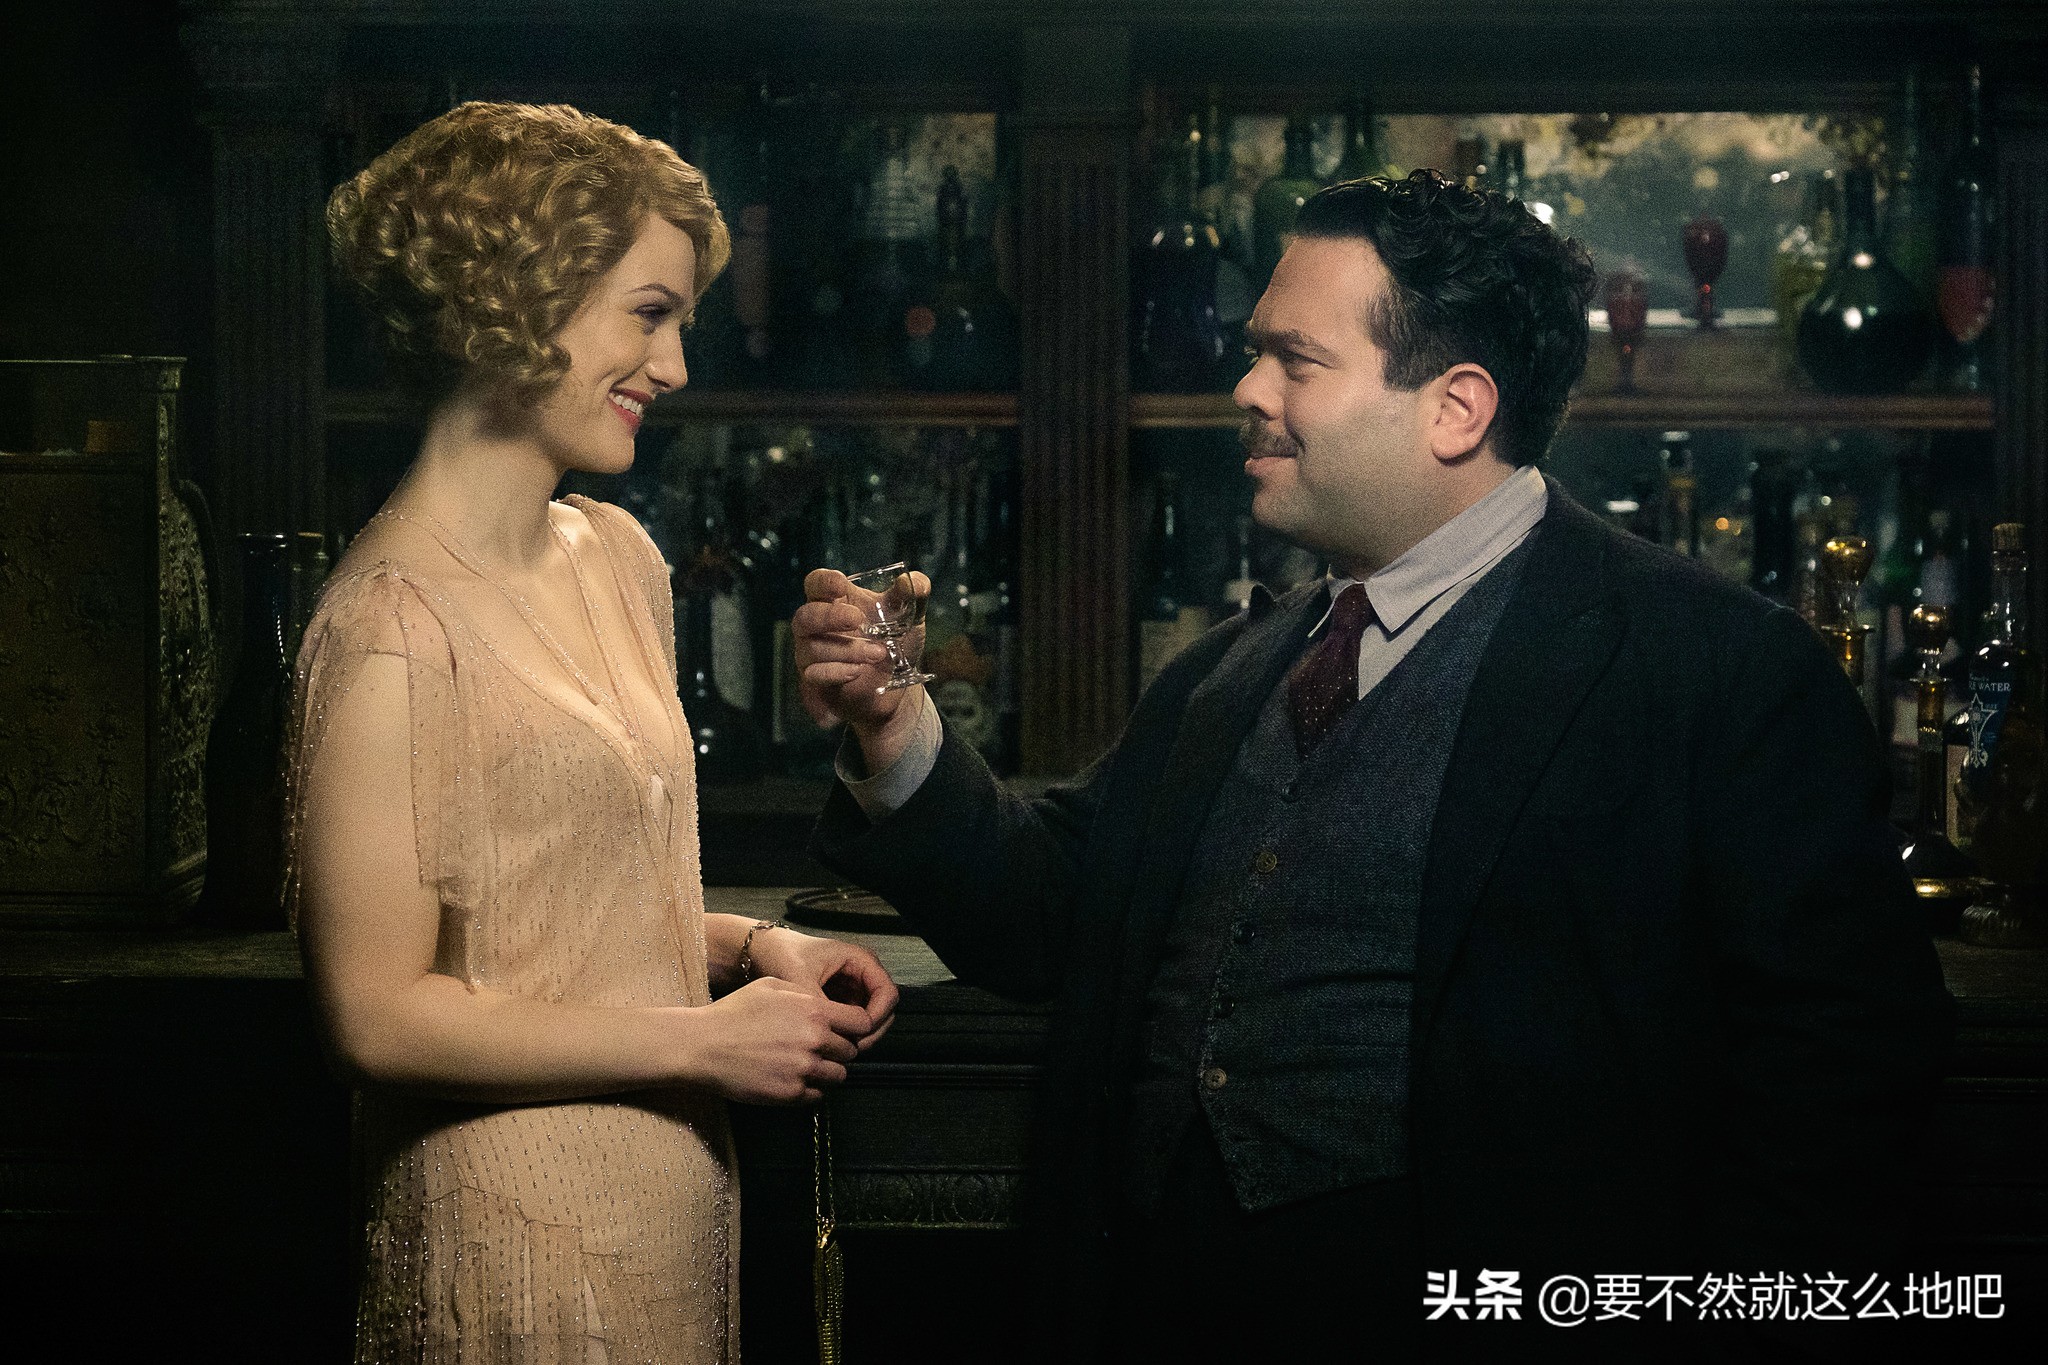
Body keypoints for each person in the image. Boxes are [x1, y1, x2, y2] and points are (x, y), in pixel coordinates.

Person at [794, 172, 1951, 1361]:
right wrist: (891, 724)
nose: (1246, 391)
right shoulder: (1231, 670)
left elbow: (1843, 1099)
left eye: (1293, 360)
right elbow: (1053, 911)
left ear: (1455, 409)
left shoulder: (1716, 672)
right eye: (1255, 353)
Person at [291, 101, 897, 1364]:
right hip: (510, 1239)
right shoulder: (388, 627)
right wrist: (703, 1043)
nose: (672, 369)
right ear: (515, 297)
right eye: (648, 314)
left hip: (671, 1216)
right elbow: (376, 1018)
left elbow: (563, 895)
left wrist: (755, 948)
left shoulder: (615, 556)